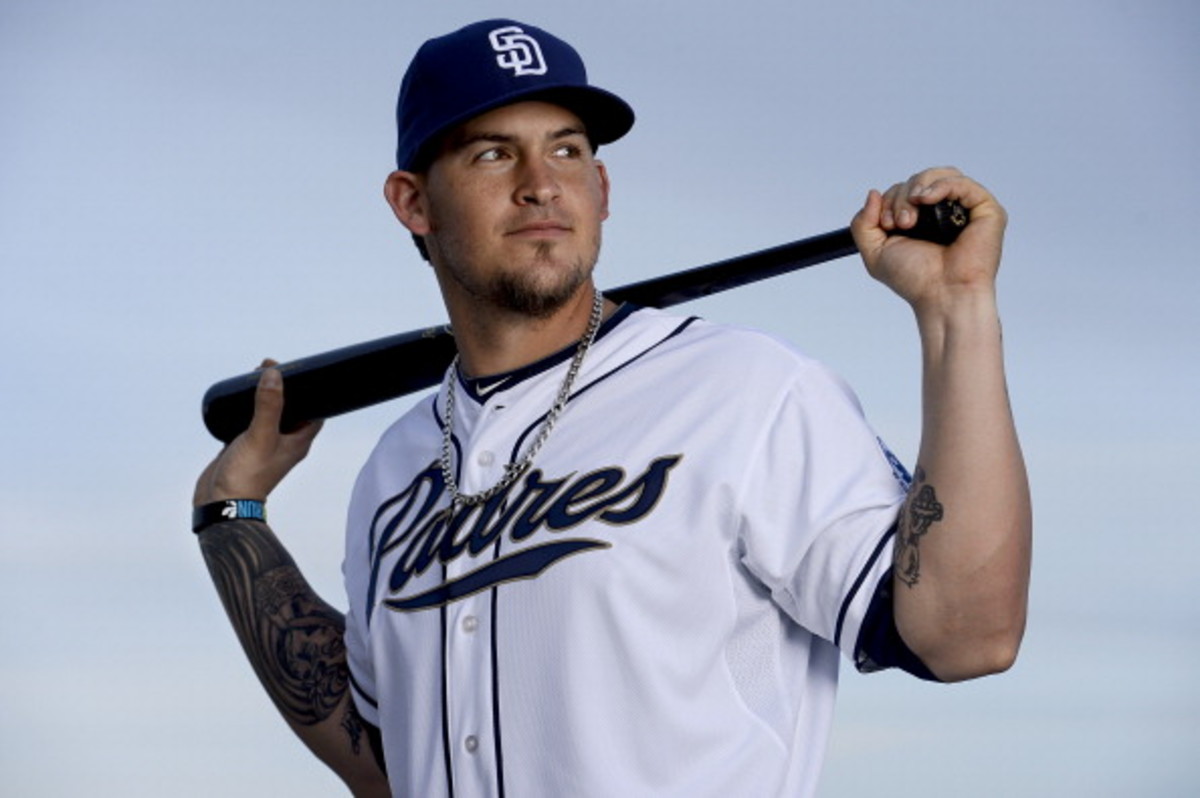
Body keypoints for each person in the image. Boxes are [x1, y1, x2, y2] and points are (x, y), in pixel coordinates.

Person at [193, 18, 1031, 798]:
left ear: (599, 185)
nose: (539, 186)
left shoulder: (745, 392)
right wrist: (233, 520)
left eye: (565, 152)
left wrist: (957, 311)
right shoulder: (395, 469)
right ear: (413, 202)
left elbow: (964, 634)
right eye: (492, 154)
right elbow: (385, 758)